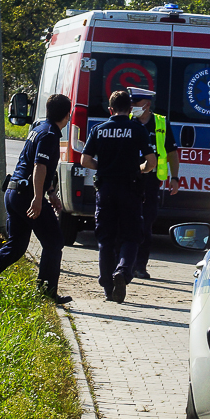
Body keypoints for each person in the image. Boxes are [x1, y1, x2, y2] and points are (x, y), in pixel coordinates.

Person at [0, 93, 72, 305]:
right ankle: (46, 292)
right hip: (27, 195)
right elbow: (39, 167)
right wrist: (38, 199)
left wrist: (51, 193)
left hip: (13, 192)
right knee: (54, 241)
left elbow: (38, 166)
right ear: (68, 114)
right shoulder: (50, 134)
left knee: (17, 246)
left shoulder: (38, 128)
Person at [80, 90, 156, 303]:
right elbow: (152, 162)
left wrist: (102, 167)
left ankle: (108, 288)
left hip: (105, 190)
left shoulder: (98, 130)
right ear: (130, 109)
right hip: (130, 190)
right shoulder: (138, 129)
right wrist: (140, 168)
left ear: (110, 109)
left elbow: (85, 160)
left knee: (105, 239)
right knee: (131, 237)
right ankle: (123, 272)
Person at [128, 87, 180, 279]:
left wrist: (174, 178)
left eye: (135, 103)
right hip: (130, 180)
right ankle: (126, 263)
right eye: (131, 103)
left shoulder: (160, 122)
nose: (132, 106)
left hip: (151, 183)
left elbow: (172, 152)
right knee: (127, 223)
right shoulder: (127, 121)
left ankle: (140, 266)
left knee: (146, 225)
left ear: (147, 104)